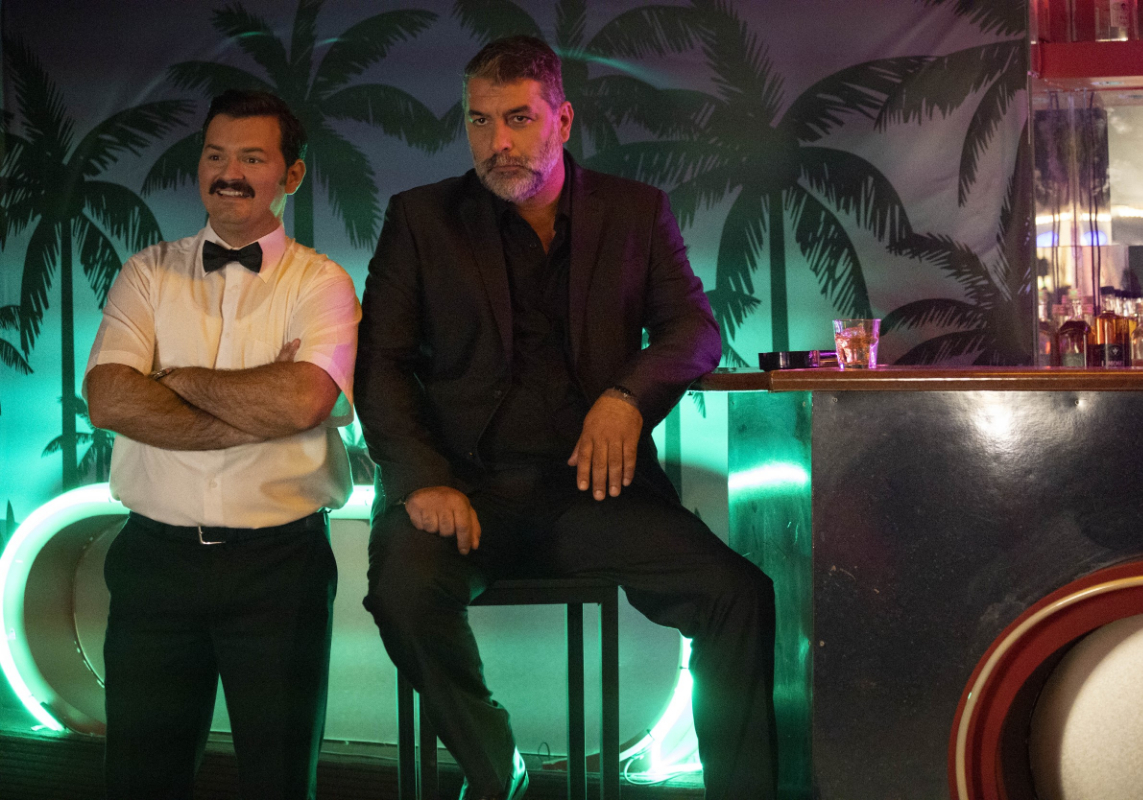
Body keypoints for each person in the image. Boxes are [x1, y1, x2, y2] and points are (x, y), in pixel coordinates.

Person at [356, 36, 777, 800]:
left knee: (737, 594)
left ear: (563, 119)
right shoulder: (422, 218)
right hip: (467, 490)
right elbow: (381, 362)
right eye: (479, 120)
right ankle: (498, 769)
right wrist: (420, 479)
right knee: (403, 594)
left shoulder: (634, 210)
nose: (498, 141)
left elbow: (693, 329)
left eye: (518, 118)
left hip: (596, 495)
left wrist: (626, 398)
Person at [85, 89, 360, 800]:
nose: (228, 173)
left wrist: (170, 379)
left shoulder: (323, 283)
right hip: (154, 564)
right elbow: (110, 400)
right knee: (140, 782)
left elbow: (304, 400)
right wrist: (261, 407)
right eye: (215, 155)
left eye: (251, 158)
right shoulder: (145, 273)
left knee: (278, 781)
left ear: (290, 175)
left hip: (282, 570)